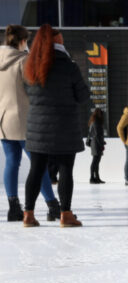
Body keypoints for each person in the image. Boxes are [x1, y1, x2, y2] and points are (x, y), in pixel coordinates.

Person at [22, 24, 89, 227]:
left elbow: (28, 93)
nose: (63, 41)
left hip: (37, 127)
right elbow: (83, 95)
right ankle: (65, 215)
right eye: (61, 39)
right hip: (64, 126)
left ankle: (28, 214)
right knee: (65, 169)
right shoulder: (68, 66)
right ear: (56, 42)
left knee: (35, 170)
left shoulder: (30, 67)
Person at [0, 24, 61, 222]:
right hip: (26, 120)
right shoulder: (23, 61)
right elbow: (34, 90)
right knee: (38, 164)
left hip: (4, 120)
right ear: (23, 41)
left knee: (12, 162)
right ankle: (53, 206)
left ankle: (13, 208)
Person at [88, 108, 105, 184]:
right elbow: (97, 135)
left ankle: (97, 177)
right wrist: (101, 144)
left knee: (96, 162)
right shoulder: (96, 122)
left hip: (95, 143)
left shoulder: (94, 121)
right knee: (95, 161)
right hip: (96, 144)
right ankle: (92, 178)